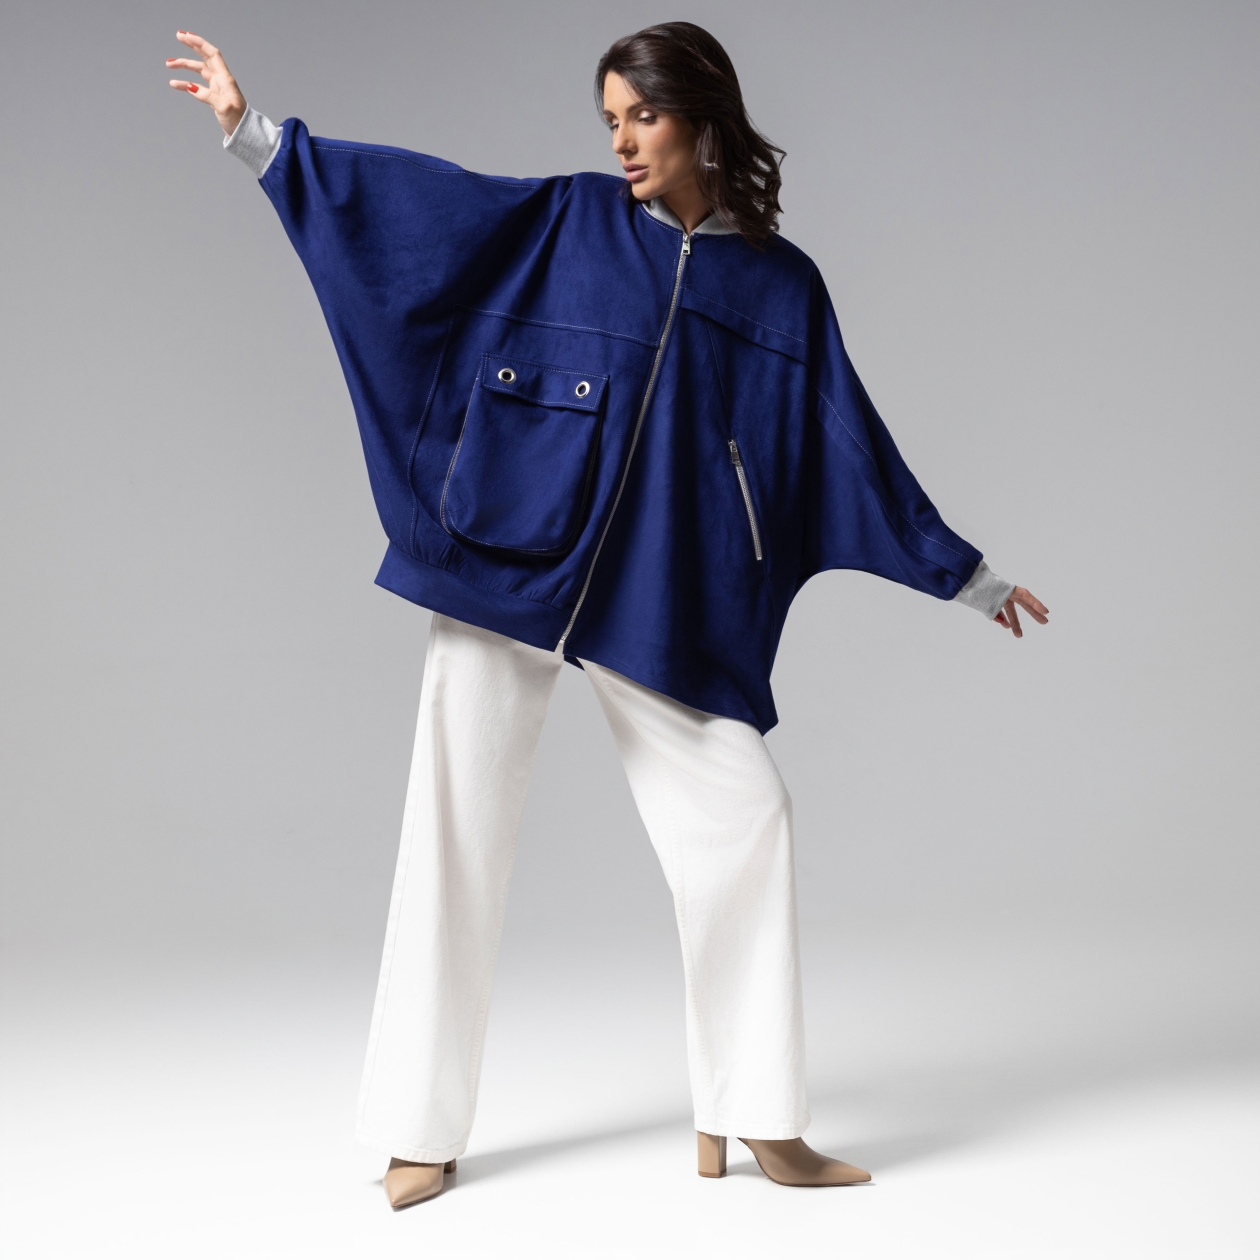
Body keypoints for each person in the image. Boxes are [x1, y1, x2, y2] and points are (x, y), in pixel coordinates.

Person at [168, 21, 1048, 1209]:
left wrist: (967, 575)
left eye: (645, 116)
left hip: (659, 584)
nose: (624, 142)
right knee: (451, 826)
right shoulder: (570, 219)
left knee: (747, 819)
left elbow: (849, 441)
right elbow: (415, 223)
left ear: (704, 118)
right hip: (506, 550)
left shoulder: (779, 286)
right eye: (611, 121)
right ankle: (417, 1130)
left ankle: (756, 1116)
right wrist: (258, 137)